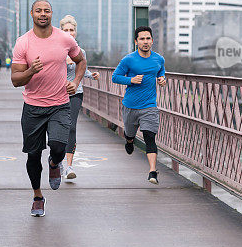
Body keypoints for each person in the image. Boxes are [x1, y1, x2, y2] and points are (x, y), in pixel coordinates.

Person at [11, 0, 86, 217]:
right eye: (38, 11)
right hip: (33, 107)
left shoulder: (64, 38)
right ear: (31, 14)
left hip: (60, 105)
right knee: (33, 155)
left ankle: (55, 162)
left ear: (52, 14)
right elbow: (15, 80)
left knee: (58, 146)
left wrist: (77, 82)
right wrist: (30, 71)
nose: (43, 14)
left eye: (47, 11)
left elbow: (80, 60)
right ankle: (37, 196)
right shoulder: (23, 43)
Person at [112, 26, 166, 184]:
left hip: (149, 106)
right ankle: (129, 140)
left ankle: (152, 172)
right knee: (129, 133)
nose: (145, 42)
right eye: (142, 39)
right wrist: (131, 80)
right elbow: (115, 77)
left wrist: (162, 79)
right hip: (130, 106)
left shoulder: (158, 59)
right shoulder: (128, 60)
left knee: (150, 137)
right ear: (136, 42)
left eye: (148, 38)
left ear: (152, 40)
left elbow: (161, 71)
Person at [58, 15, 99, 180]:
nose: (69, 33)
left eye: (71, 30)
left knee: (71, 127)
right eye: (65, 30)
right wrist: (63, 62)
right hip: (56, 93)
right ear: (60, 31)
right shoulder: (55, 49)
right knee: (58, 128)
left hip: (75, 92)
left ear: (75, 32)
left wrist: (91, 75)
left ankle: (69, 166)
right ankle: (57, 160)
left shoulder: (80, 52)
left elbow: (83, 70)